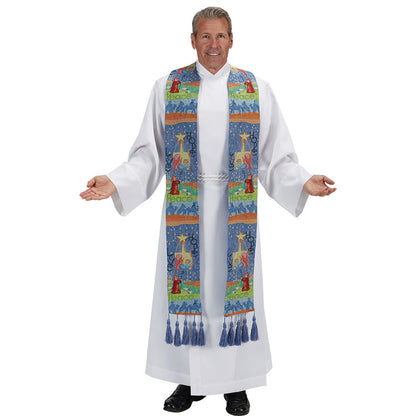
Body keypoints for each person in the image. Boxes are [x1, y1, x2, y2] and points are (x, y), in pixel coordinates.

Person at [79, 7, 336, 415]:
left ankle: (236, 386)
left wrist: (302, 181)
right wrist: (115, 181)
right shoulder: (169, 87)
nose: (213, 45)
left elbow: (273, 157)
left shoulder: (255, 88)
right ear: (192, 40)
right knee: (190, 295)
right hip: (188, 205)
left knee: (232, 295)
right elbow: (149, 155)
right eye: (205, 36)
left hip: (236, 210)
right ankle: (187, 381)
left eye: (220, 36)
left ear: (232, 40)